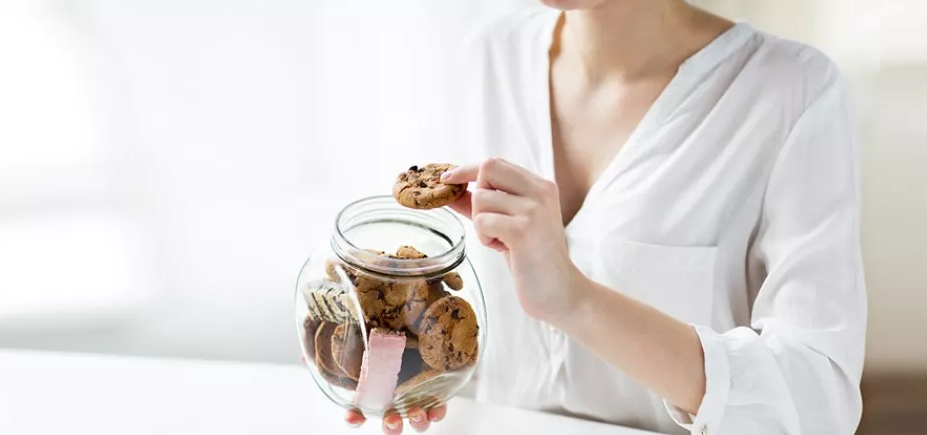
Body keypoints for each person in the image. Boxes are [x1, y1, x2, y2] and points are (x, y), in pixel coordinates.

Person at [347, 0, 866, 434]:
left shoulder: (791, 91)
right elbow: (454, 316)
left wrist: (575, 299)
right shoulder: (484, 58)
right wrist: (397, 363)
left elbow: (818, 404)